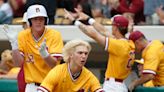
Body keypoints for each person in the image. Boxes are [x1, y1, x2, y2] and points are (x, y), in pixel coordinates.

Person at [65, 9, 135, 92]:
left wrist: (74, 22)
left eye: (113, 25)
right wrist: (88, 19)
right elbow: (104, 31)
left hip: (113, 86)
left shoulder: (118, 45)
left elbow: (94, 35)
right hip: (120, 85)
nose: (111, 27)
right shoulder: (129, 43)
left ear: (116, 28)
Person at [2, 4, 63, 92]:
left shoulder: (54, 35)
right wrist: (14, 44)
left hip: (51, 85)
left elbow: (53, 65)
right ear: (29, 21)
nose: (38, 22)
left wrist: (45, 55)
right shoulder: (23, 35)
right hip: (32, 86)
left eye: (41, 19)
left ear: (46, 20)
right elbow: (18, 64)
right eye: (35, 19)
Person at [37, 39, 104, 92]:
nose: (84, 56)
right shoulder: (57, 71)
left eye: (86, 53)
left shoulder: (89, 76)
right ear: (70, 54)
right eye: (80, 53)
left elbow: (98, 90)